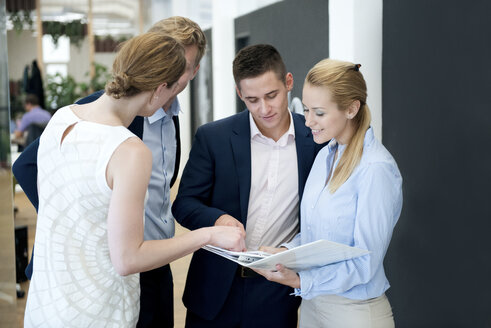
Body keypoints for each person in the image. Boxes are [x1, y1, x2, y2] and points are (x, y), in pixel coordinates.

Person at [23, 32, 245, 328]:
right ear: (159, 89)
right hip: (98, 312)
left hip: (47, 306)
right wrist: (208, 235)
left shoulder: (62, 118)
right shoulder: (129, 151)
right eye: (174, 90)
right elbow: (128, 259)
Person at [171, 44, 324, 327]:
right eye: (252, 99)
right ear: (240, 93)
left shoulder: (316, 141)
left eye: (272, 95)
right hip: (214, 292)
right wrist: (218, 219)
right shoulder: (213, 137)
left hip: (277, 291)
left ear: (289, 83)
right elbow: (184, 204)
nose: (264, 108)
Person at [254, 59, 403, 328]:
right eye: (307, 109)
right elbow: (316, 235)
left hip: (355, 313)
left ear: (351, 108)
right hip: (313, 305)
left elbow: (365, 263)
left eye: (319, 113)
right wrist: (284, 252)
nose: (308, 121)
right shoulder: (325, 156)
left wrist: (302, 280)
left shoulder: (375, 169)